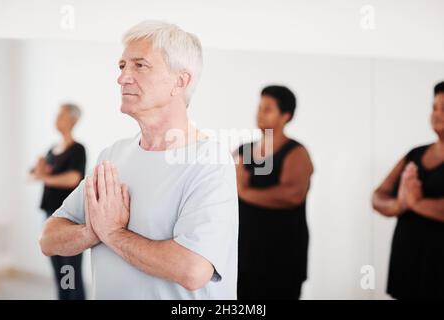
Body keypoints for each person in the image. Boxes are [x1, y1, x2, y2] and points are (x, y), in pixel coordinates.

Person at [39, 20, 239, 300]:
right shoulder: (112, 156)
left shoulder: (210, 162)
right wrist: (92, 232)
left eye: (139, 65)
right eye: (122, 66)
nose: (122, 78)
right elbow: (49, 238)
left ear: (180, 81)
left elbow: (193, 269)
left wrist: (114, 234)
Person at [234, 85, 314, 300]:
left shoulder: (296, 153)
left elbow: (292, 195)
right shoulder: (243, 150)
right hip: (244, 251)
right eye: (259, 107)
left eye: (268, 109)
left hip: (282, 253)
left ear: (285, 116)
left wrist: (243, 190)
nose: (260, 113)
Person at [372, 81, 444, 299]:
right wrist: (399, 204)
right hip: (409, 260)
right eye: (434, 107)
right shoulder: (415, 154)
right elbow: (378, 196)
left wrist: (414, 203)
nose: (437, 114)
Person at [29, 103, 86, 300]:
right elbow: (33, 175)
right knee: (58, 270)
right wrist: (40, 169)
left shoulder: (77, 149)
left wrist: (44, 177)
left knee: (70, 269)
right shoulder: (51, 150)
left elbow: (73, 178)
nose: (56, 119)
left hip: (69, 219)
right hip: (49, 216)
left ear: (72, 121)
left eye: (61, 115)